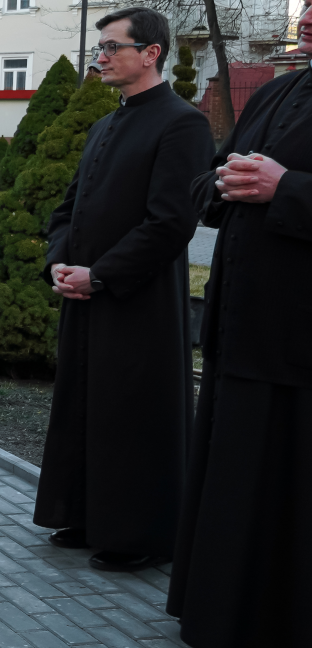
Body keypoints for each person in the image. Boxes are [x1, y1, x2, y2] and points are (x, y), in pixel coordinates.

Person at [33, 7, 213, 573]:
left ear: (150, 53)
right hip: (86, 294)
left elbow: (169, 222)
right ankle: (87, 514)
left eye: (111, 48)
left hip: (138, 299)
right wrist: (60, 262)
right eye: (99, 49)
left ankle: (138, 533)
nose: (100, 58)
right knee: (87, 405)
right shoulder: (105, 124)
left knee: (132, 413)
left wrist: (102, 274)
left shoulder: (182, 123)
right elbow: (67, 208)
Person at [167, 0, 312, 643]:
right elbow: (210, 177)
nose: (305, 19)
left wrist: (289, 188)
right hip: (241, 324)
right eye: (306, 8)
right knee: (232, 470)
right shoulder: (279, 90)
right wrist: (225, 182)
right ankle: (223, 610)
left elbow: (285, 185)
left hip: (300, 341)